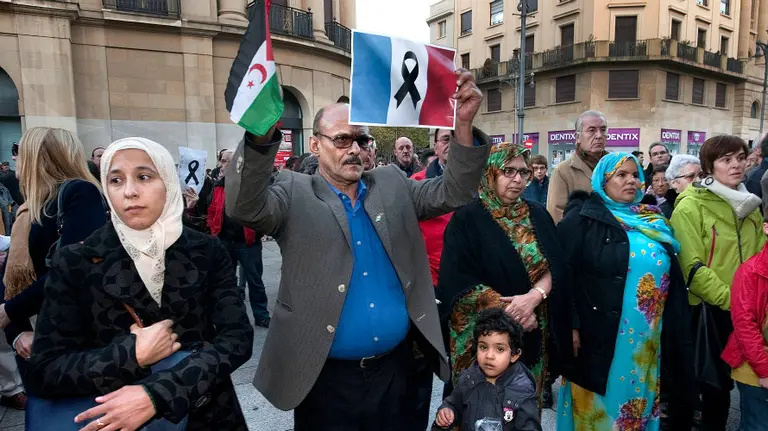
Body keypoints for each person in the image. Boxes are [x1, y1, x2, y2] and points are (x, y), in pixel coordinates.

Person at [225, 70, 490, 430]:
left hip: (398, 372)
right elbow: (243, 207)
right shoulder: (292, 191)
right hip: (325, 380)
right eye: (341, 140)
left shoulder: (393, 183)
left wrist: (462, 126)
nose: (353, 149)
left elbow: (455, 192)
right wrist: (260, 135)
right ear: (315, 145)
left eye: (360, 140)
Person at [24, 137, 254, 430]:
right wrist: (130, 355)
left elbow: (236, 338)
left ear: (168, 182)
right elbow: (44, 370)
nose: (130, 192)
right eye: (116, 180)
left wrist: (158, 394)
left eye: (144, 177)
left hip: (205, 414)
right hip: (114, 418)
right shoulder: (76, 260)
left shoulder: (207, 251)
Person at [557, 152, 694, 430]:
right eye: (621, 175)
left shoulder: (653, 219)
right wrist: (570, 325)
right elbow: (563, 275)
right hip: (601, 336)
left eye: (635, 175)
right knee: (600, 411)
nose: (631, 181)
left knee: (636, 407)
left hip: (646, 339)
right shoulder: (582, 220)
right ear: (603, 181)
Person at [438, 142, 570, 410]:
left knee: (522, 409)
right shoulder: (467, 218)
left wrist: (534, 298)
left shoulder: (537, 214)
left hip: (533, 333)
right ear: (490, 173)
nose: (518, 179)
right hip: (486, 338)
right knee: (483, 411)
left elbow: (555, 267)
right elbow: (458, 281)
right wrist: (514, 310)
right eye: (508, 171)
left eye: (524, 172)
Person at [0, 128, 107, 402]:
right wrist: (16, 331)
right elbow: (14, 274)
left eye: (21, 154)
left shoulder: (80, 193)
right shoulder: (30, 207)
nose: (15, 161)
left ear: (40, 157)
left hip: (72, 329)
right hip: (35, 327)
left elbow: (72, 268)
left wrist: (11, 311)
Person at [672, 135, 765, 431]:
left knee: (753, 388)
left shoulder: (750, 203)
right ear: (709, 168)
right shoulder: (690, 206)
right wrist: (734, 302)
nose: (736, 164)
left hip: (750, 313)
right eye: (726, 160)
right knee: (715, 390)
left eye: (740, 157)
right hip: (711, 311)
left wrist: (750, 306)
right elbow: (692, 267)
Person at [433, 308, 541, 431]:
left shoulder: (522, 391)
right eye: (483, 347)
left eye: (499, 349)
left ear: (514, 355)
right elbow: (454, 404)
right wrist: (447, 412)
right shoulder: (469, 378)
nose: (489, 356)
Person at [207, 149, 270, 328]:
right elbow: (212, 211)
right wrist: (214, 231)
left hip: (248, 243)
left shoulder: (250, 186)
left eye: (227, 161)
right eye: (222, 161)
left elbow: (262, 209)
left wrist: (259, 230)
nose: (223, 164)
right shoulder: (218, 186)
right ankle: (233, 317)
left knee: (255, 281)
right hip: (224, 241)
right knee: (227, 281)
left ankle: (261, 315)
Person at [721, 220, 768, 431]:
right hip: (755, 365)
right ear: (766, 228)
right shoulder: (750, 271)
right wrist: (764, 371)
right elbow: (744, 326)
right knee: (757, 424)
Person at [547, 110, 608, 223]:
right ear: (578, 137)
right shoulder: (562, 172)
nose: (599, 135)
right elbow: (556, 214)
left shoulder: (616, 166)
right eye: (592, 130)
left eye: (603, 130)